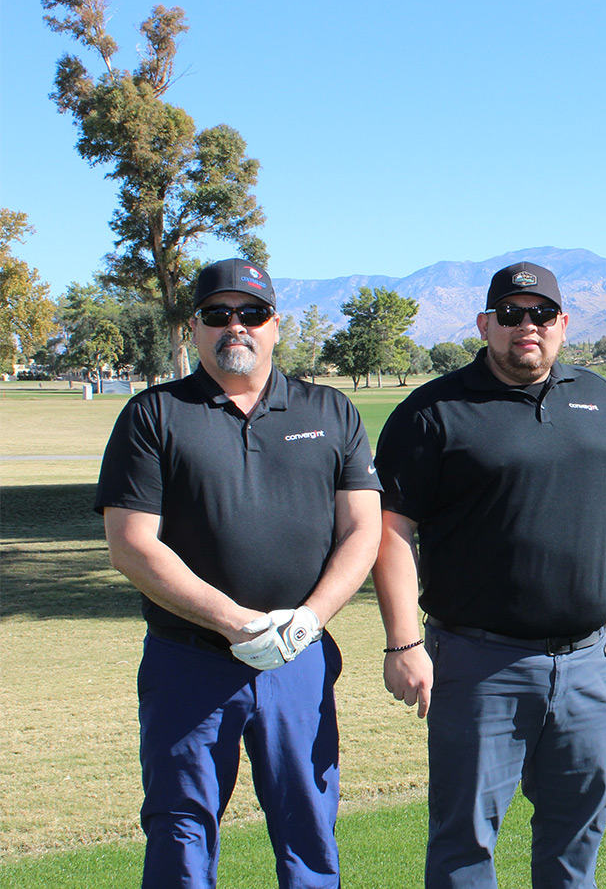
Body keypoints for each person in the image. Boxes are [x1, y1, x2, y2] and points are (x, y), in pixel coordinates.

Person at [371, 261, 606, 889]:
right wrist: (403, 641)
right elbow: (389, 529)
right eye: (510, 314)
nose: (525, 326)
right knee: (464, 845)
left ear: (562, 323)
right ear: (486, 324)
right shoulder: (434, 411)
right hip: (480, 664)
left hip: (590, 663)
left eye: (540, 314)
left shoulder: (602, 399)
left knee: (575, 842)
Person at [95, 257, 383, 888]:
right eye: (218, 315)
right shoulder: (154, 416)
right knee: (181, 831)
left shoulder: (330, 411)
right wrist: (237, 623)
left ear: (275, 324)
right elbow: (132, 544)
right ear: (194, 327)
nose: (237, 327)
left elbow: (364, 530)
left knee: (308, 827)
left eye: (251, 314)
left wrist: (307, 620)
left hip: (297, 659)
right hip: (189, 661)